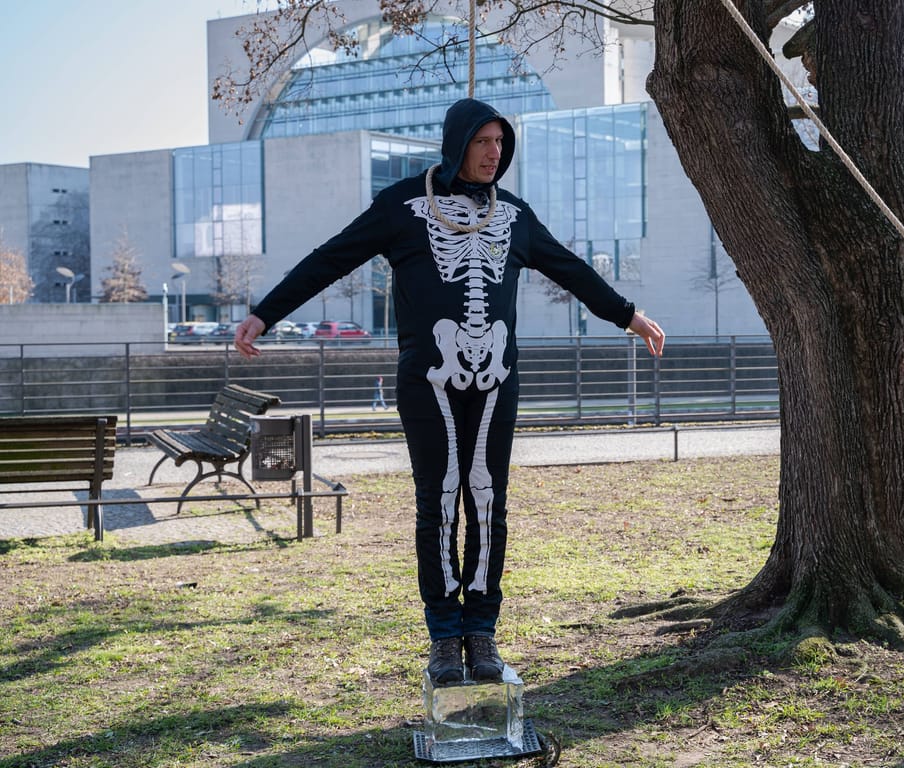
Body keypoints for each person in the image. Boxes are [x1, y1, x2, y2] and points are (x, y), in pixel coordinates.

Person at [235, 98, 666, 686]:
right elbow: (330, 259)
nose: (494, 153)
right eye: (483, 141)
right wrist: (266, 313)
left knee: (487, 502)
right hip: (427, 381)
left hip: (496, 379)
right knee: (438, 501)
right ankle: (443, 634)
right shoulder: (404, 207)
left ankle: (481, 631)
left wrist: (628, 315)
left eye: (500, 143)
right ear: (457, 142)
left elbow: (571, 268)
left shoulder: (513, 216)